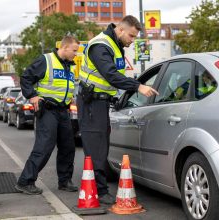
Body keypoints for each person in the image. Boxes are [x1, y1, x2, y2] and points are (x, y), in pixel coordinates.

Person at [77, 15, 158, 204]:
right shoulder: (100, 45)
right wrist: (138, 86)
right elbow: (111, 75)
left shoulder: (115, 45)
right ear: (120, 30)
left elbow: (114, 78)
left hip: (101, 101)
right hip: (91, 103)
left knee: (100, 145)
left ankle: (97, 188)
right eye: (131, 36)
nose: (132, 41)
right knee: (96, 148)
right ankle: (99, 192)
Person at [15, 35, 79, 195]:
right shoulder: (46, 60)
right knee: (44, 147)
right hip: (48, 111)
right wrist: (32, 95)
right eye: (74, 50)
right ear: (64, 47)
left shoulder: (69, 65)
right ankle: (25, 181)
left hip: (64, 111)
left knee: (68, 147)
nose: (76, 54)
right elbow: (26, 78)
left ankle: (64, 181)